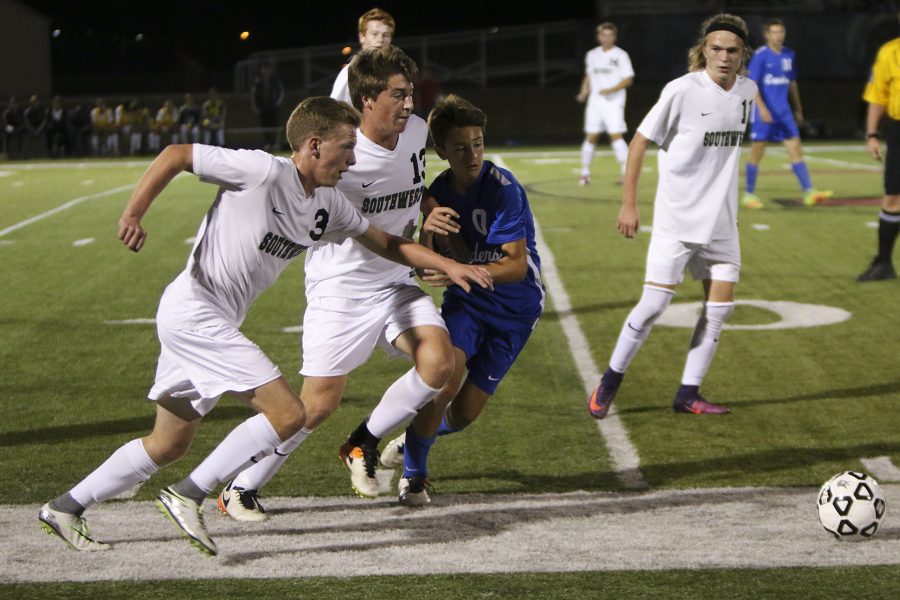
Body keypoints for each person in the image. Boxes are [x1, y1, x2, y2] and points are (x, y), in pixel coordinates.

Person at [37, 96, 492, 556]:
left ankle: (65, 507)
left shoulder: (329, 203)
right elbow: (177, 155)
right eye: (345, 148)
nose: (353, 160)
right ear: (314, 146)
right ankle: (188, 494)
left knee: (169, 442)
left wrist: (445, 265)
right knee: (289, 413)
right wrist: (133, 213)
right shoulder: (262, 171)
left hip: (211, 319)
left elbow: (389, 243)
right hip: (195, 312)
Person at [219, 46, 472, 520]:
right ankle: (241, 484)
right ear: (367, 99)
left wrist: (427, 213)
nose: (409, 104)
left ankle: (363, 442)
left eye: (411, 92)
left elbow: (412, 189)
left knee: (441, 365)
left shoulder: (415, 132)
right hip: (341, 287)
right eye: (398, 94)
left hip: (395, 280)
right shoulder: (343, 156)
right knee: (317, 404)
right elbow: (324, 212)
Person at [376, 95, 545, 505]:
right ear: (441, 152)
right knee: (443, 379)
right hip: (467, 302)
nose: (472, 154)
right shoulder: (437, 194)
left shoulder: (503, 189)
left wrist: (458, 270)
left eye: (478, 143)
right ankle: (415, 475)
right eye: (460, 147)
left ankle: (414, 439)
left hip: (514, 309)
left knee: (466, 413)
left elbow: (516, 267)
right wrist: (432, 259)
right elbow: (424, 259)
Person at [587, 13, 757, 420]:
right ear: (703, 50)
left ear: (742, 55)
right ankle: (611, 379)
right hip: (676, 222)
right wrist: (629, 203)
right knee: (652, 306)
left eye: (732, 50)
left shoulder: (747, 92)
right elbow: (640, 141)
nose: (723, 56)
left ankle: (688, 393)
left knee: (719, 312)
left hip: (722, 225)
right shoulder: (681, 90)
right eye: (715, 48)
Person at [742, 18, 832, 209]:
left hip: (784, 113)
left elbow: (792, 83)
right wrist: (763, 109)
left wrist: (798, 108)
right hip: (764, 114)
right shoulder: (760, 56)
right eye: (774, 32)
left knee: (796, 150)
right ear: (767, 34)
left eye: (781, 32)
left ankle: (809, 191)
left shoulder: (789, 55)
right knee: (757, 153)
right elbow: (752, 86)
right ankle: (749, 194)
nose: (778, 35)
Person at [857, 14, 900, 282]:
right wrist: (872, 134)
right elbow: (878, 96)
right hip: (898, 129)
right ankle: (884, 263)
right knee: (893, 197)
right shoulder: (889, 51)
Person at [575, 22, 634, 186]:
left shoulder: (621, 55)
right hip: (595, 103)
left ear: (614, 37)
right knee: (591, 137)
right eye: (604, 34)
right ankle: (585, 173)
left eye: (610, 35)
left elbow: (628, 79)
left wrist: (610, 89)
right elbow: (589, 76)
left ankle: (625, 174)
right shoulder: (592, 55)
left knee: (616, 136)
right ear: (598, 36)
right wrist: (584, 92)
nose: (607, 38)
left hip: (614, 103)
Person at [330, 7, 395, 105]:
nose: (380, 39)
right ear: (362, 37)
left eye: (386, 35)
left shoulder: (396, 73)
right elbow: (334, 110)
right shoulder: (350, 73)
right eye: (375, 34)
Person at [251, 64, 284, 151]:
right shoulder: (258, 82)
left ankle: (276, 143)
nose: (264, 71)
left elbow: (280, 92)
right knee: (265, 125)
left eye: (266, 69)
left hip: (273, 107)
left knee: (275, 124)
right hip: (263, 107)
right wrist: (256, 106)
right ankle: (267, 143)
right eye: (263, 69)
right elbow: (255, 95)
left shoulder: (275, 81)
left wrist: (276, 103)